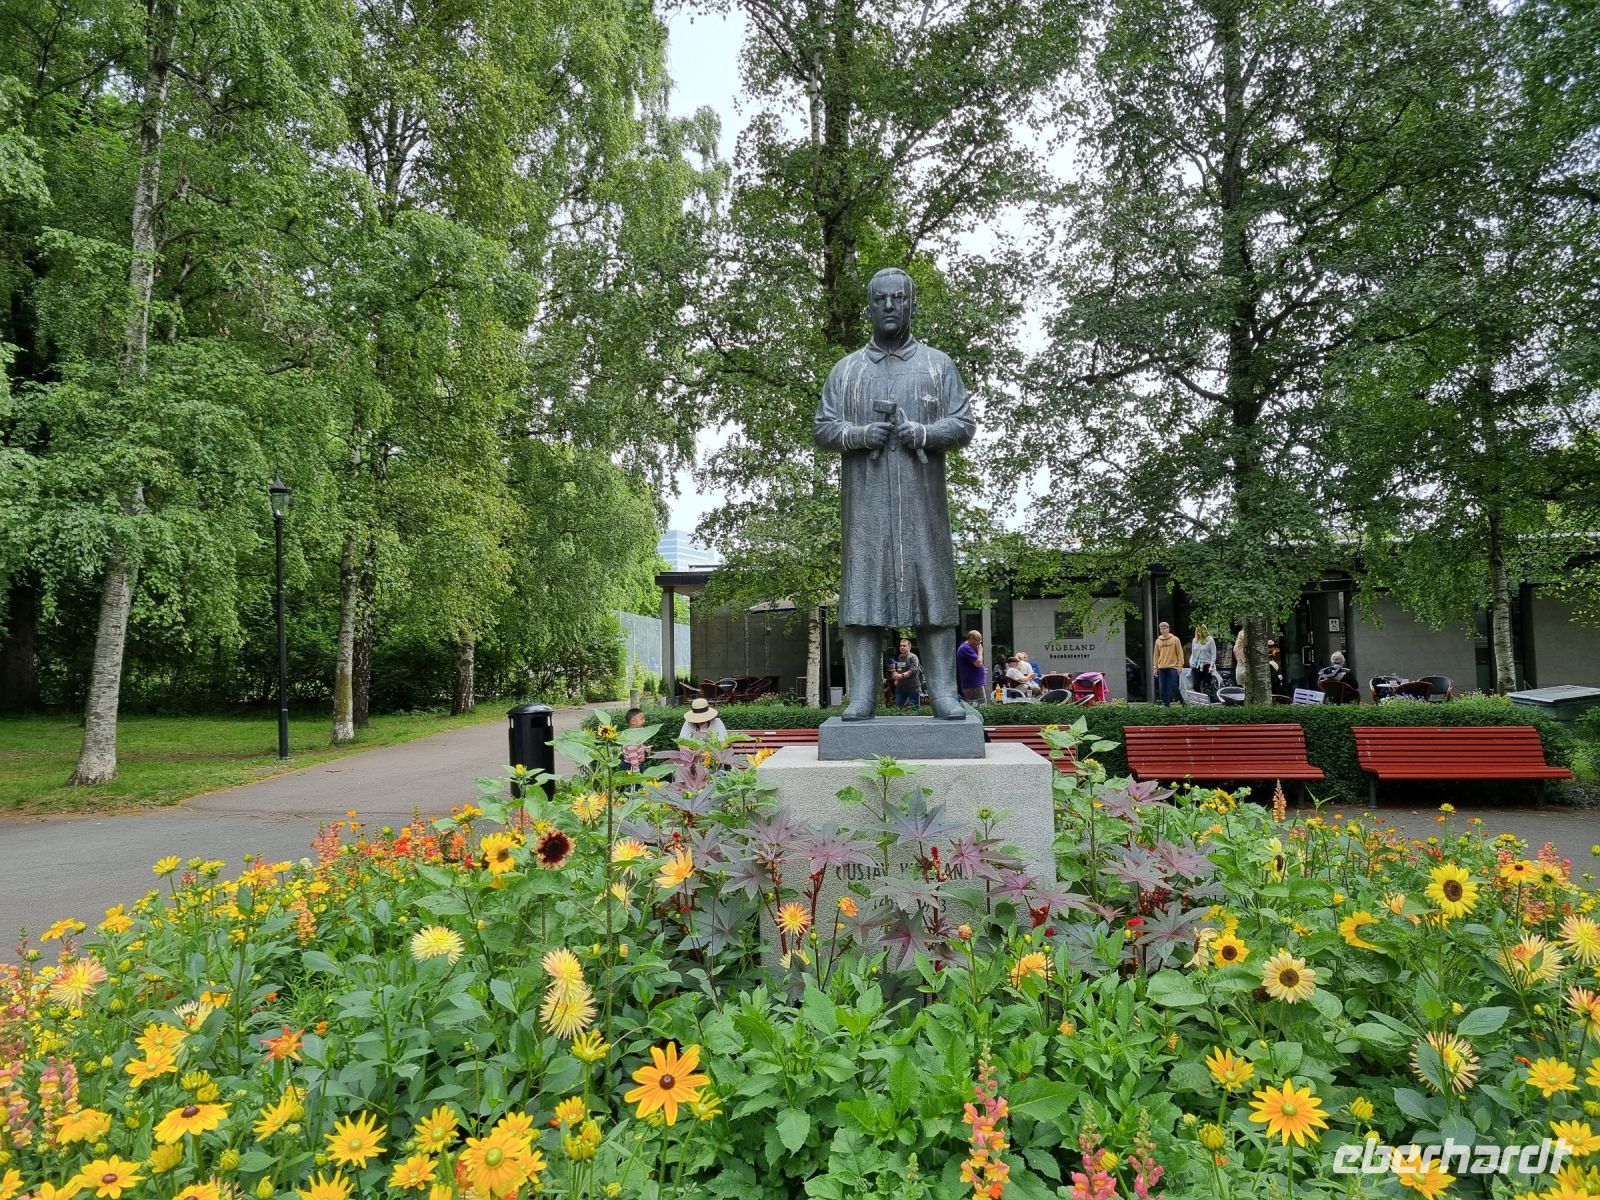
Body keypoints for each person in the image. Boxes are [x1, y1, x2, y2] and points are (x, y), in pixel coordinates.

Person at [814, 267, 977, 720]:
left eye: (898, 298)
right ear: (869, 308)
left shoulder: (937, 365)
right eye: (881, 299)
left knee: (933, 592)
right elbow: (824, 427)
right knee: (863, 594)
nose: (889, 306)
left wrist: (923, 432)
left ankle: (943, 693)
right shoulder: (846, 370)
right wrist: (859, 434)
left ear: (911, 305)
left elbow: (963, 423)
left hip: (923, 506)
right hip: (865, 506)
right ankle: (862, 696)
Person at [888, 637, 924, 710]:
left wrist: (901, 676)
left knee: (915, 709)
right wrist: (895, 675)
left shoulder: (913, 657)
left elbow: (913, 670)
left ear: (909, 647)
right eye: (900, 645)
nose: (902, 647)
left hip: (913, 687)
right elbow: (899, 669)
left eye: (904, 645)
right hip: (901, 687)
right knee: (898, 709)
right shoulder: (899, 657)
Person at [1154, 620, 1184, 706]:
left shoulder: (1175, 639)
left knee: (1173, 685)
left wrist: (1180, 666)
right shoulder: (1158, 641)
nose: (1162, 630)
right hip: (1162, 667)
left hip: (1173, 667)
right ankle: (1166, 704)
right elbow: (1156, 655)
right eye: (1161, 629)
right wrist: (1155, 668)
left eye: (1164, 628)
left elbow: (1180, 653)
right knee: (1163, 687)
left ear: (1168, 629)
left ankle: (1182, 701)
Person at [956, 630, 986, 702]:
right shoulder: (965, 648)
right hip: (973, 685)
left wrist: (982, 669)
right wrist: (980, 651)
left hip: (974, 684)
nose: (979, 643)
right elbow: (978, 663)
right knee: (981, 706)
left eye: (980, 640)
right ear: (971, 638)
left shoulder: (970, 648)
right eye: (978, 640)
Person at [1189, 625, 1218, 699]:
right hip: (1197, 664)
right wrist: (1190, 661)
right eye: (1198, 631)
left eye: (1201, 631)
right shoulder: (1194, 640)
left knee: (1207, 684)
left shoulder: (1210, 640)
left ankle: (1209, 699)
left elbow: (1213, 654)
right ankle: (1199, 700)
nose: (1199, 633)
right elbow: (1193, 653)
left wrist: (1211, 666)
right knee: (1196, 684)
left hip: (1207, 664)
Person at [622, 706, 649, 771]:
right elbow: (633, 755)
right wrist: (636, 770)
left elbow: (636, 748)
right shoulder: (631, 738)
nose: (644, 721)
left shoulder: (634, 734)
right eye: (642, 719)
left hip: (635, 764)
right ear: (633, 721)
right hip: (632, 766)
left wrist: (644, 748)